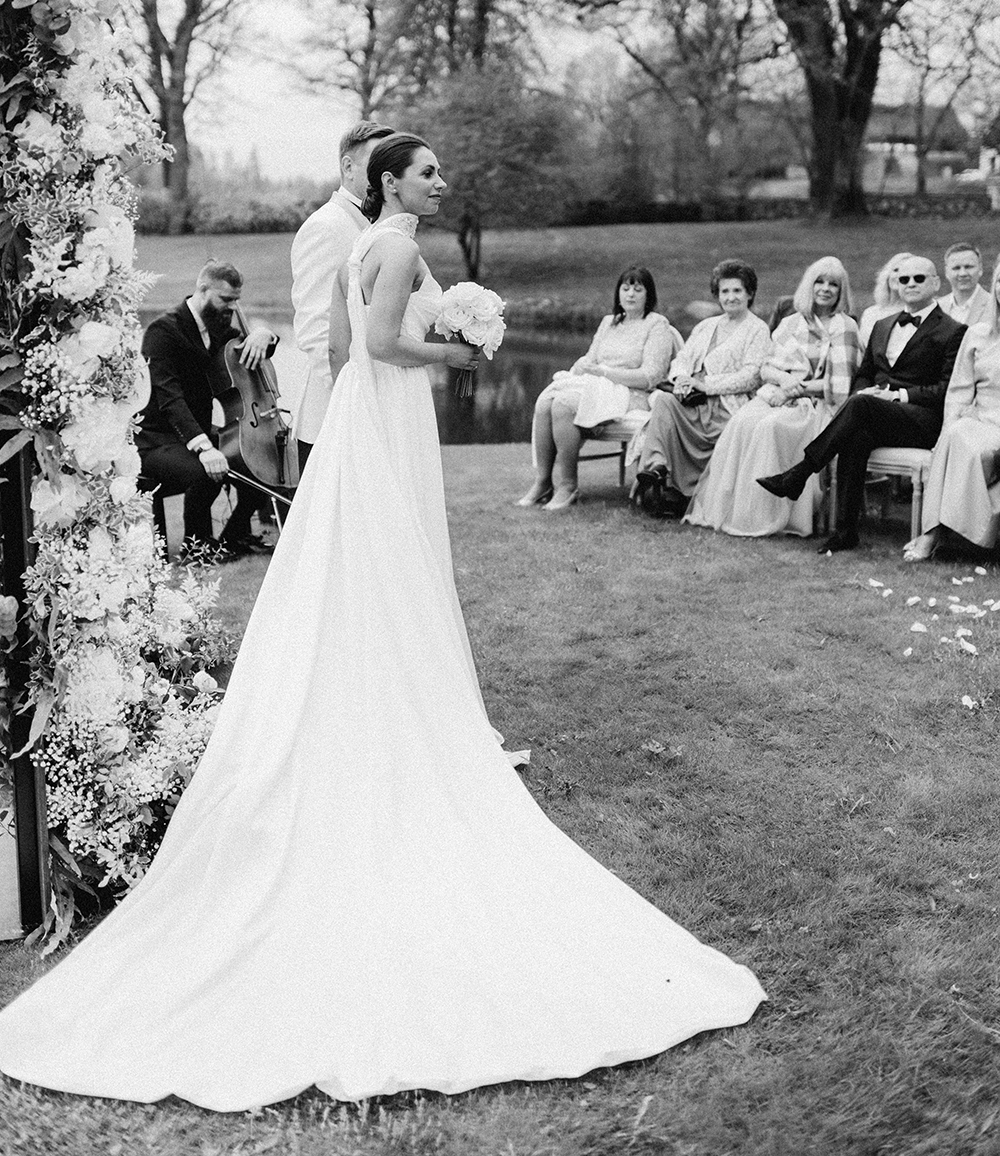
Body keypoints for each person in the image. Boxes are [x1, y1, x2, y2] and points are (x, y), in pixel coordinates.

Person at [0, 133, 764, 1110]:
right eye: (427, 172)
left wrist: (436, 340)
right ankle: (407, 703)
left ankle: (379, 690)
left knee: (371, 555)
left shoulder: (365, 244)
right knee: (398, 554)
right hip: (391, 397)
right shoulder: (393, 244)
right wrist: (463, 349)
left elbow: (338, 344)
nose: (442, 182)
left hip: (366, 410)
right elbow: (385, 345)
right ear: (390, 181)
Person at [758, 256, 966, 553]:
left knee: (860, 407)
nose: (910, 284)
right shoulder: (882, 325)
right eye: (904, 279)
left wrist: (897, 396)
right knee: (855, 434)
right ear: (896, 284)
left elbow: (945, 389)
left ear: (935, 283)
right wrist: (864, 391)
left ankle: (800, 473)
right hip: (876, 413)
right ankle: (845, 533)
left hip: (921, 421)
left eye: (919, 278)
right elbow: (864, 373)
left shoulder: (953, 330)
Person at [686, 257, 861, 538]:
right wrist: (783, 380)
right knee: (742, 422)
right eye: (819, 281)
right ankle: (736, 510)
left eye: (833, 284)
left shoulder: (845, 327)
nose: (825, 289)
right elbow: (766, 367)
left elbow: (840, 385)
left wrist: (797, 388)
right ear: (809, 285)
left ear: (842, 291)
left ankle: (766, 514)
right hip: (778, 392)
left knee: (770, 427)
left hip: (816, 403)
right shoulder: (791, 322)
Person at [136, 260, 278, 562]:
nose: (232, 307)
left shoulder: (218, 327)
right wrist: (204, 447)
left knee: (256, 460)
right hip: (158, 439)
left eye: (236, 300)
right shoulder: (162, 331)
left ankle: (232, 536)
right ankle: (196, 546)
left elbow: (250, 349)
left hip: (195, 431)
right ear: (202, 289)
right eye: (226, 299)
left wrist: (265, 334)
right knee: (207, 471)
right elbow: (170, 399)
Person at [516, 266, 679, 512]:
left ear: (649, 295)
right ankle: (543, 482)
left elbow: (650, 376)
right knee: (546, 401)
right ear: (618, 293)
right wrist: (583, 366)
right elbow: (591, 359)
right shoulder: (608, 322)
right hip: (599, 386)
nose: (630, 294)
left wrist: (605, 373)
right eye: (625, 289)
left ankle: (568, 485)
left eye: (638, 289)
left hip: (634, 393)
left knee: (563, 405)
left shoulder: (657, 324)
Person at [289, 120, 394, 471]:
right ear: (348, 167)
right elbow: (317, 328)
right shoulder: (326, 227)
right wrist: (351, 404)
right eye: (377, 164)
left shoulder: (379, 225)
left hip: (377, 403)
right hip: (334, 417)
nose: (386, 176)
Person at [631, 260, 771, 520]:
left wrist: (706, 386)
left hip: (726, 406)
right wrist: (682, 378)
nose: (730, 297)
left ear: (750, 293)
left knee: (674, 406)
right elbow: (682, 359)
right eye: (724, 291)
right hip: (692, 402)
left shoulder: (757, 329)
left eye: (737, 291)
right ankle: (657, 470)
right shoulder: (707, 326)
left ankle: (684, 493)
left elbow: (751, 377)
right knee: (664, 401)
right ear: (717, 295)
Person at [904, 257, 1000, 561]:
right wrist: (946, 428)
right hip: (978, 419)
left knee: (964, 444)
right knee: (954, 435)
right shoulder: (978, 334)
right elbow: (958, 391)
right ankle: (934, 532)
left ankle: (940, 534)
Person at [858, 252, 911, 348]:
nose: (899, 275)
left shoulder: (917, 315)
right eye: (896, 270)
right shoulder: (870, 314)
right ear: (887, 275)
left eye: (906, 272)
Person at [938, 240, 990, 326]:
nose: (963, 273)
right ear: (946, 272)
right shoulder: (937, 308)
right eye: (956, 268)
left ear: (980, 269)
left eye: (968, 267)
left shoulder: (994, 306)